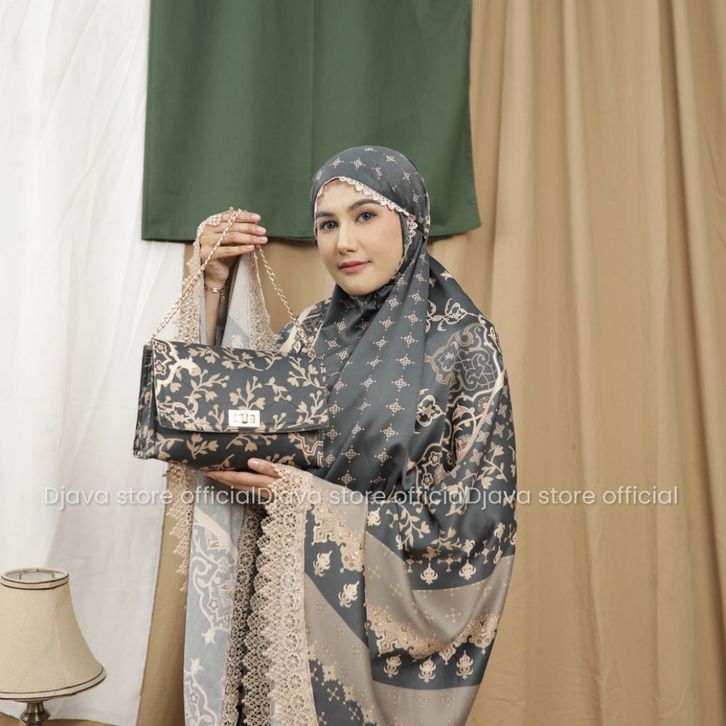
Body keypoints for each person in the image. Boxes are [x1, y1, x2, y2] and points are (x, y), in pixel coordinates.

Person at [182, 145, 517, 725]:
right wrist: (212, 284)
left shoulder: (463, 341)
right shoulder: (307, 334)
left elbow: (477, 520)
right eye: (327, 224)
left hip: (373, 629)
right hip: (283, 612)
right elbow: (221, 423)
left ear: (411, 222)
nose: (344, 242)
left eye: (365, 216)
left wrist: (302, 496)